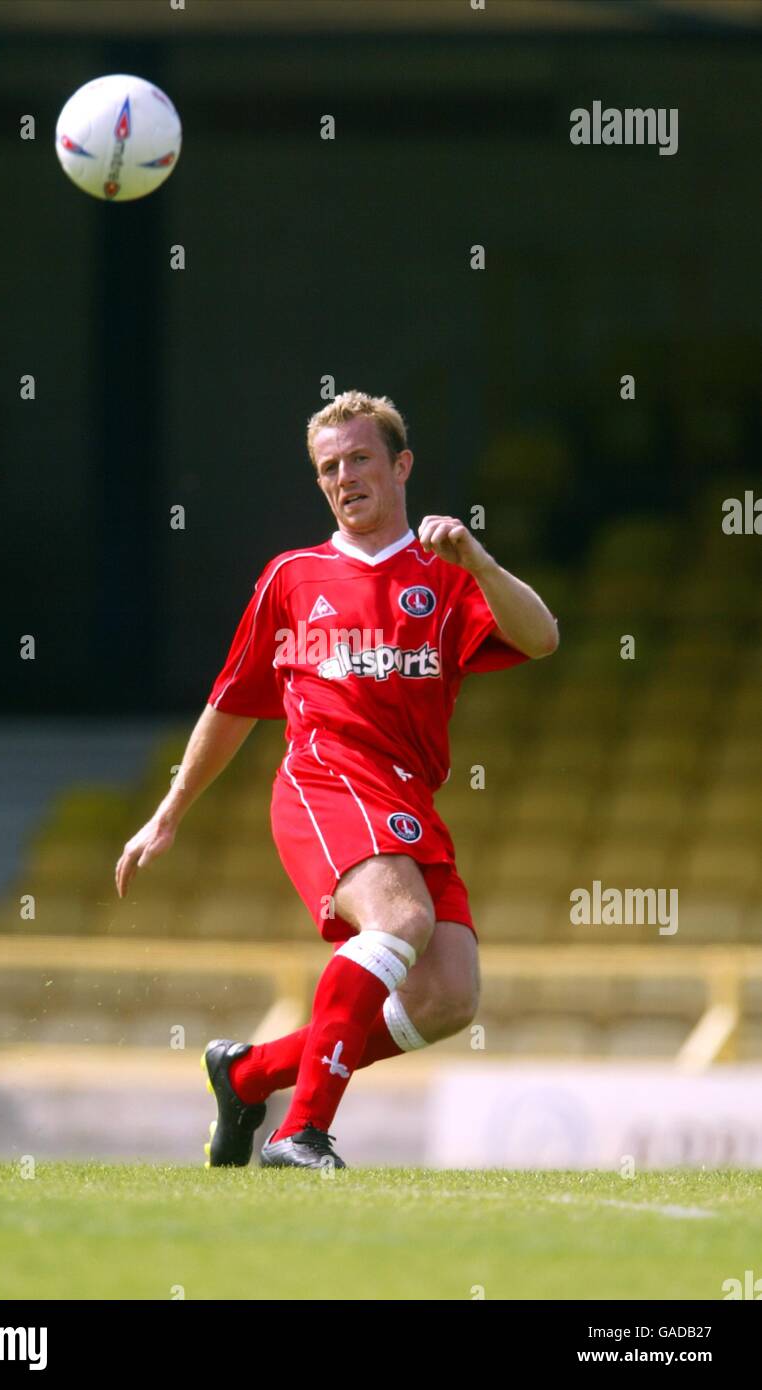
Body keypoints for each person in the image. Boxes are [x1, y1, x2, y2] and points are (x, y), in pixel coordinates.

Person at [115, 391, 558, 1169]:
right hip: (323, 781)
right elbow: (233, 705)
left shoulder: (446, 575)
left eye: (358, 459)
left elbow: (543, 638)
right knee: (399, 918)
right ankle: (300, 1132)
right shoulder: (293, 577)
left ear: (400, 465)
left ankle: (248, 1074)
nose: (344, 477)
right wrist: (170, 809)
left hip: (407, 795)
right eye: (328, 468)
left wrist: (481, 562)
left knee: (449, 997)